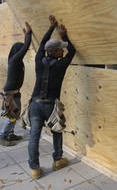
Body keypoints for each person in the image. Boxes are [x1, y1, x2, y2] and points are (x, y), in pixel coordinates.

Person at [28, 15, 75, 179]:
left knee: (34, 135)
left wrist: (51, 28)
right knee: (56, 131)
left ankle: (35, 169)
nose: (63, 50)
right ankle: (58, 160)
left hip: (35, 104)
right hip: (50, 106)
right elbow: (73, 51)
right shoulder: (61, 65)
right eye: (61, 49)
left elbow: (41, 45)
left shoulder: (38, 60)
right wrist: (64, 36)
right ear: (55, 52)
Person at [0, 22, 32, 146]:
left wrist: (26, 37)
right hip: (11, 93)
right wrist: (29, 34)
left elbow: (22, 49)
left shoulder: (16, 60)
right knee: (13, 116)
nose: (23, 51)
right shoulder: (14, 60)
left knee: (13, 115)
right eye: (20, 50)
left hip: (14, 92)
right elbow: (25, 48)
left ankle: (10, 134)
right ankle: (2, 136)